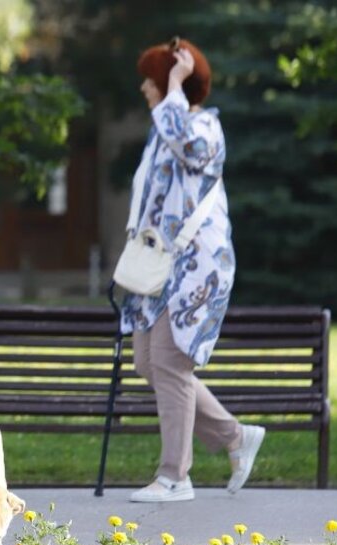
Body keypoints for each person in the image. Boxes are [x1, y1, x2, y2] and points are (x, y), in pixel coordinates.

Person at [118, 37, 265, 503]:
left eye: (151, 78)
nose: (144, 86)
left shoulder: (204, 128)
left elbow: (189, 147)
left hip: (198, 266)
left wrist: (177, 85)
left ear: (169, 83)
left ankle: (175, 477)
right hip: (159, 265)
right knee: (149, 361)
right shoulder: (161, 129)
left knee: (170, 361)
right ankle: (235, 437)